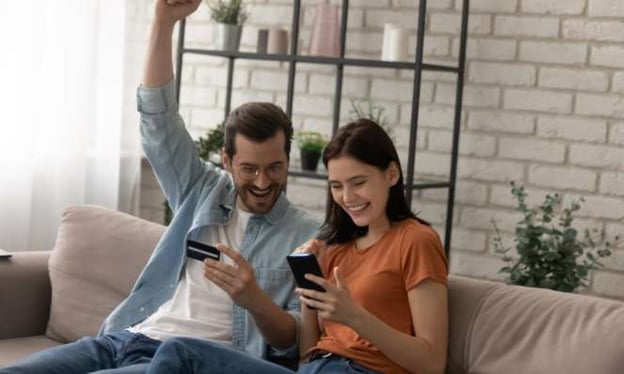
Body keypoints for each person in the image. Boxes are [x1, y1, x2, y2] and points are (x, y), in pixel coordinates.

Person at [1, 0, 319, 373]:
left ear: (288, 159)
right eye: (249, 169)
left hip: (185, 361)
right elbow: (158, 118)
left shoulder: (307, 235)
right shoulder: (201, 189)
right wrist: (163, 21)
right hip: (125, 338)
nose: (263, 182)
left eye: (275, 167)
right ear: (227, 161)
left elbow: (296, 338)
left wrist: (254, 299)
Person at [145, 119, 449, 374]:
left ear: (391, 174)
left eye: (358, 182)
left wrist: (354, 316)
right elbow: (306, 353)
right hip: (312, 369)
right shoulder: (335, 246)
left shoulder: (416, 241)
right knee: (179, 351)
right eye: (336, 186)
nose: (347, 197)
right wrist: (307, 287)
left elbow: (432, 362)